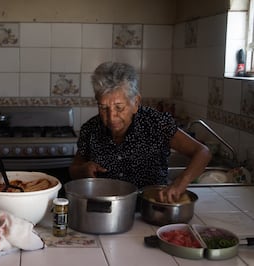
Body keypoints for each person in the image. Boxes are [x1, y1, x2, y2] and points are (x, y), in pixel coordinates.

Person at [69, 62, 211, 203]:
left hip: (151, 210)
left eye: (119, 108)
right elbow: (74, 169)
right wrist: (84, 170)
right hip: (108, 212)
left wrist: (181, 182)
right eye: (103, 108)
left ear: (135, 102)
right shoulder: (90, 128)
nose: (111, 117)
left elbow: (202, 152)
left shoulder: (156, 123)